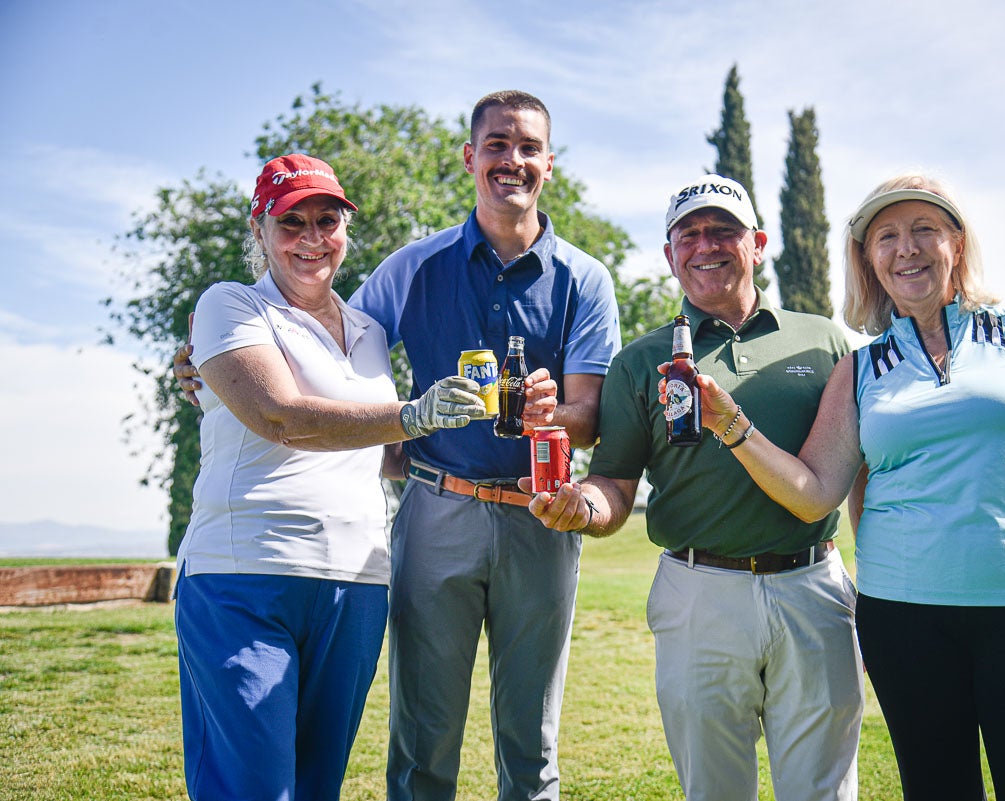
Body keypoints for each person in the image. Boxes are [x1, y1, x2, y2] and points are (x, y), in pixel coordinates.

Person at [176, 91, 620, 801]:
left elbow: (589, 416)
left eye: (528, 146)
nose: (512, 159)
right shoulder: (411, 266)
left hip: (537, 517)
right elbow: (314, 368)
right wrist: (210, 355)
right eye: (496, 145)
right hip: (432, 511)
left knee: (531, 747)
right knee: (421, 746)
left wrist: (552, 414)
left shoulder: (584, 279)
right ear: (469, 157)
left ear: (549, 161)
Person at [685, 173, 1005, 800]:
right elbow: (816, 490)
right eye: (886, 237)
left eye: (924, 229)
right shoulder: (859, 366)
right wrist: (731, 425)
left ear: (956, 241)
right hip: (904, 622)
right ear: (868, 261)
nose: (907, 249)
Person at [522, 175, 862, 801]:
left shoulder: (826, 343)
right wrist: (580, 507)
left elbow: (859, 474)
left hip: (813, 587)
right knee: (714, 790)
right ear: (670, 254)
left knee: (824, 790)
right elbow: (614, 486)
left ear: (757, 243)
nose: (706, 245)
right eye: (689, 234)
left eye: (724, 231)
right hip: (699, 592)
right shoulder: (639, 362)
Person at [175, 154, 496, 801]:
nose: (313, 238)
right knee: (254, 787)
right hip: (244, 576)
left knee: (316, 785)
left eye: (328, 220)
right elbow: (280, 416)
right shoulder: (229, 306)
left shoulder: (371, 333)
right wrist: (412, 412)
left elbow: (376, 446)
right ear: (258, 229)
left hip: (355, 583)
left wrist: (498, 442)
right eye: (291, 222)